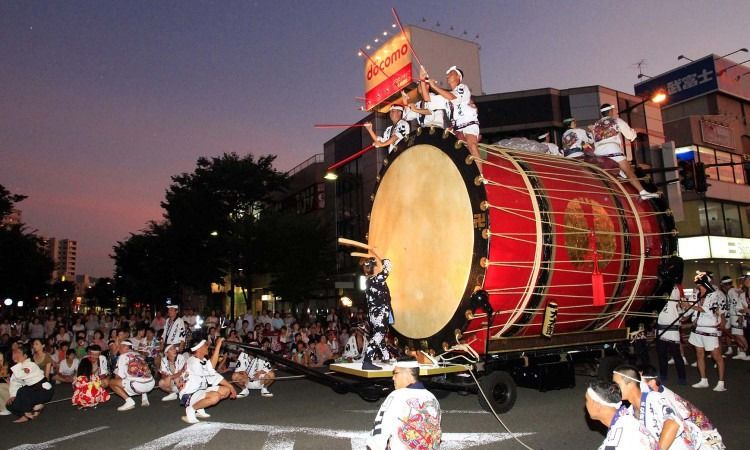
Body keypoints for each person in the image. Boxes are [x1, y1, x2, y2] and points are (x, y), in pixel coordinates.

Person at [613, 364, 697, 450]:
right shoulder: (629, 409)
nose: (613, 388)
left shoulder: (654, 397)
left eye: (616, 384)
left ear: (630, 384)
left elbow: (673, 424)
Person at [640, 365, 724, 449]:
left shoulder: (664, 399)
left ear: (652, 382)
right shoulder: (655, 395)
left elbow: (678, 427)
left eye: (639, 382)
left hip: (704, 436)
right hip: (692, 431)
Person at [366, 360, 441, 450]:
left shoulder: (396, 396)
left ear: (408, 373)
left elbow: (378, 436)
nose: (393, 378)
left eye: (395, 373)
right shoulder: (432, 398)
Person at [592, 104, 658, 200]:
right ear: (610, 111)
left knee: (617, 171)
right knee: (629, 171)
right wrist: (635, 132)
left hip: (598, 152)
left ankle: (620, 175)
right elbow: (630, 135)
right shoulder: (616, 121)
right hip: (612, 149)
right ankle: (643, 192)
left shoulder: (596, 125)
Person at [422, 65, 480, 165]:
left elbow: (454, 98)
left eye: (451, 73)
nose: (448, 75)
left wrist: (435, 87)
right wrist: (423, 81)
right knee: (448, 153)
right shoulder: (445, 96)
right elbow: (428, 100)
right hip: (455, 128)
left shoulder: (463, 88)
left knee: (472, 146)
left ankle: (480, 176)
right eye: (447, 74)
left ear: (458, 77)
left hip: (468, 123)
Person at [584, 380, 657, 450]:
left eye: (586, 400)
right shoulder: (628, 417)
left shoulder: (614, 444)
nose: (585, 404)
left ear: (597, 405)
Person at [684, 271, 727, 391]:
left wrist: (689, 306)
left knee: (716, 356)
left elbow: (706, 310)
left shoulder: (714, 294)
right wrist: (684, 314)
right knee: (699, 354)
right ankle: (703, 380)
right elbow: (691, 309)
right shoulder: (696, 294)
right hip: (697, 329)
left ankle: (721, 382)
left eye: (699, 281)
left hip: (710, 328)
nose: (697, 284)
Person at [178, 338, 237, 424]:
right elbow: (212, 367)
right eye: (205, 345)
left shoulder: (203, 360)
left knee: (226, 391)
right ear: (199, 348)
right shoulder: (193, 362)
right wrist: (218, 345)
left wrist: (231, 387)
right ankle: (191, 409)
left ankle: (199, 407)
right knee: (215, 397)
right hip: (188, 394)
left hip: (199, 391)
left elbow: (214, 376)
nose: (207, 347)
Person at [361, 248, 393, 371]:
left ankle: (385, 356)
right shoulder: (375, 280)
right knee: (379, 334)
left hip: (375, 313)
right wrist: (385, 261)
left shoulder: (369, 281)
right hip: (379, 312)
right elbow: (387, 270)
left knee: (380, 334)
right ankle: (367, 360)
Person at [6, 343, 55, 423]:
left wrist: (18, 364)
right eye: (14, 353)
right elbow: (14, 383)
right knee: (10, 405)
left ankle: (31, 410)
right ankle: (27, 414)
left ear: (25, 356)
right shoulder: (17, 368)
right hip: (32, 393)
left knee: (22, 391)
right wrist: (12, 396)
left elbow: (21, 375)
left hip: (43, 391)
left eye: (18, 353)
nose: (15, 355)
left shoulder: (30, 365)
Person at [109, 340, 155, 411]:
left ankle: (129, 401)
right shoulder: (139, 354)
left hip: (138, 386)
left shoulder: (122, 356)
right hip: (151, 383)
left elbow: (119, 377)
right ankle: (144, 398)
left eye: (120, 347)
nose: (118, 349)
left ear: (126, 347)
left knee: (112, 382)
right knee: (140, 375)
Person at [657, 284, 688, 385]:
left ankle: (682, 378)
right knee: (662, 355)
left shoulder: (675, 289)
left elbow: (680, 303)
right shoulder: (658, 289)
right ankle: (663, 376)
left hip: (672, 328)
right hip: (660, 328)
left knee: (676, 355)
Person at [725, 276, 749, 360]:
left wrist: (739, 315)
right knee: (736, 333)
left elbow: (736, 304)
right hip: (736, 314)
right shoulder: (735, 290)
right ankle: (742, 351)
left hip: (736, 315)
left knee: (738, 334)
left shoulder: (731, 291)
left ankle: (746, 349)